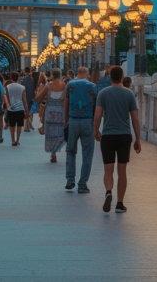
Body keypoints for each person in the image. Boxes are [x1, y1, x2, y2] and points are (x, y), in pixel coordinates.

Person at [94, 66, 141, 213]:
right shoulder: (129, 94)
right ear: (122, 77)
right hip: (124, 136)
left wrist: (96, 131)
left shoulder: (103, 93)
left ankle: (109, 192)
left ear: (110, 78)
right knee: (122, 170)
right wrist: (138, 139)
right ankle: (120, 203)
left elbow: (97, 116)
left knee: (108, 169)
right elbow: (135, 119)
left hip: (108, 135)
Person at [64, 66, 97, 193]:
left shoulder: (70, 85)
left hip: (73, 120)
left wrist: (65, 121)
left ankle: (70, 180)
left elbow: (65, 103)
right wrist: (95, 125)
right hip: (88, 120)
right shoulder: (93, 86)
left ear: (77, 74)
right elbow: (96, 106)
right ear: (87, 74)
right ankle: (82, 184)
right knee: (87, 154)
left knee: (71, 151)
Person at [36, 68, 65, 163]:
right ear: (60, 75)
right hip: (61, 113)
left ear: (52, 75)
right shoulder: (65, 86)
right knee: (60, 132)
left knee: (50, 133)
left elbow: (38, 99)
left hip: (50, 113)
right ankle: (57, 148)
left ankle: (53, 154)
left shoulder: (48, 86)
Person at [6, 72, 30, 146]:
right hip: (20, 108)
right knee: (19, 125)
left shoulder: (8, 87)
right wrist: (27, 111)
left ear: (11, 78)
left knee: (12, 125)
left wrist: (7, 107)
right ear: (18, 78)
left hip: (11, 109)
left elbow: (6, 98)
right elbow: (24, 100)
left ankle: (13, 140)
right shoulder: (22, 87)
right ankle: (18, 140)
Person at [22, 67, 35, 132]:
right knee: (31, 111)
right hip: (32, 96)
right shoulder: (32, 79)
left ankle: (26, 126)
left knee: (26, 111)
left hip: (26, 96)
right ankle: (30, 124)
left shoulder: (24, 79)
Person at [0, 72, 6, 143]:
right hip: (0, 105)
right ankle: (1, 136)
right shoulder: (2, 88)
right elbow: (3, 96)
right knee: (1, 120)